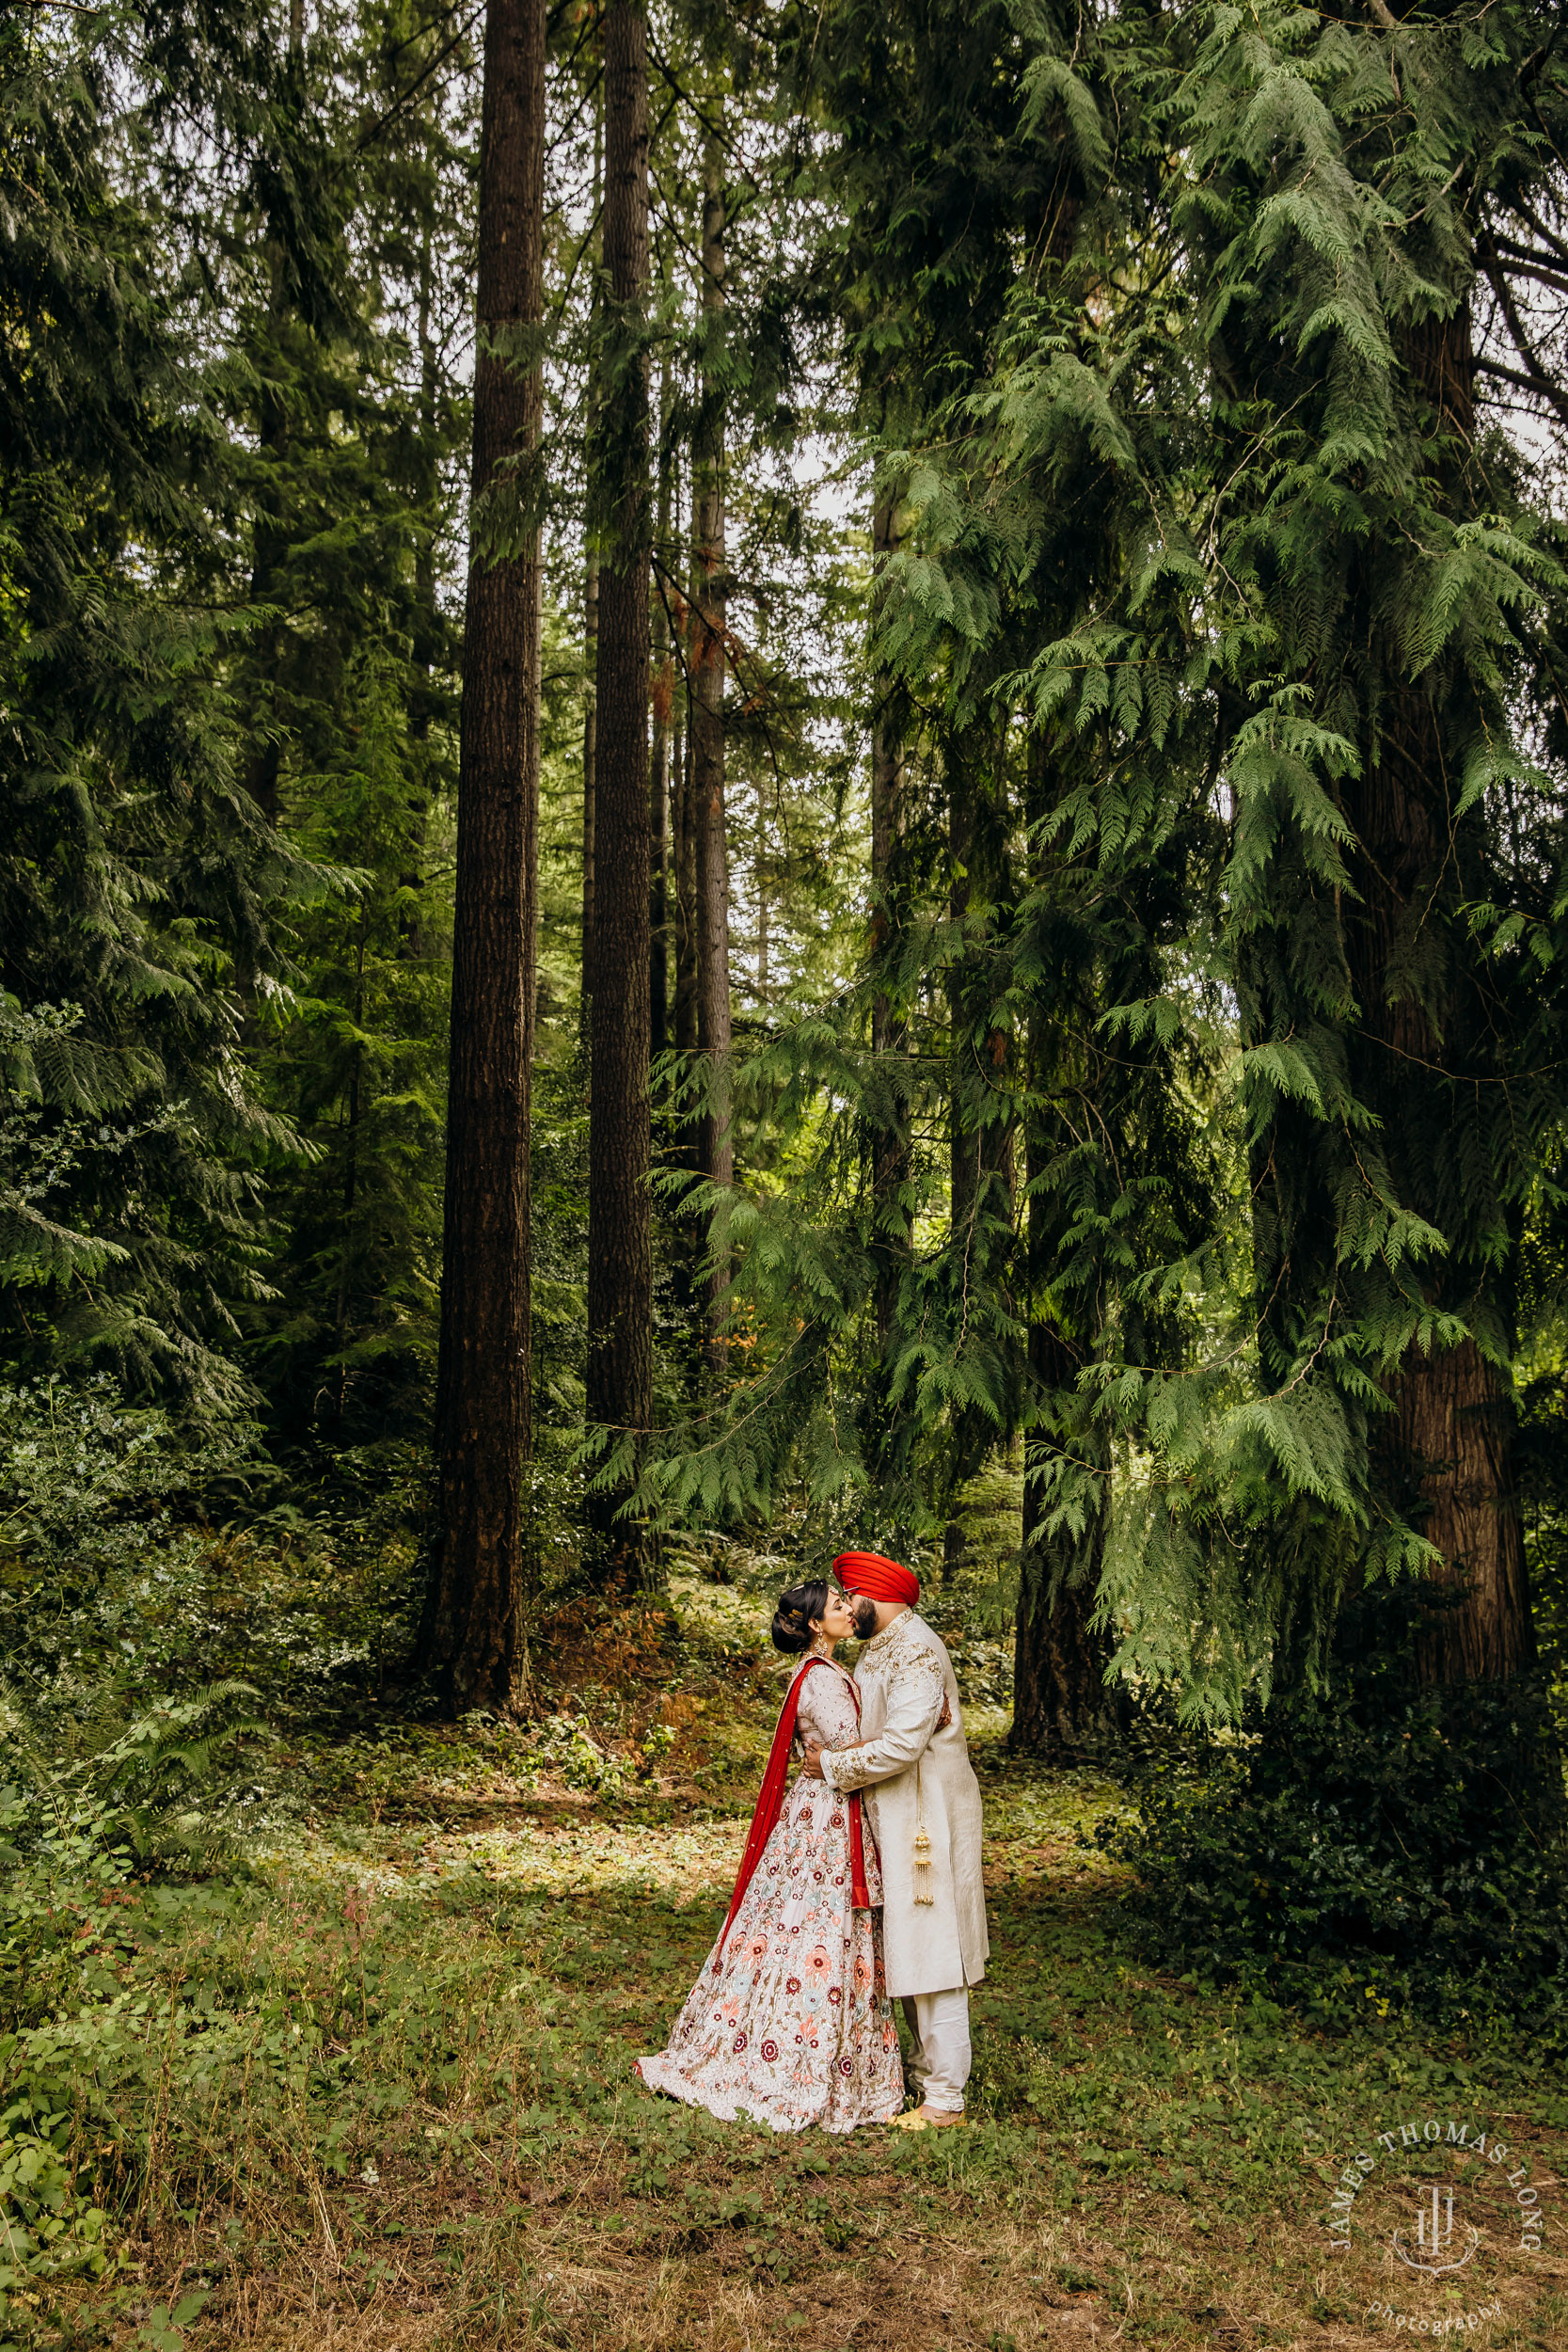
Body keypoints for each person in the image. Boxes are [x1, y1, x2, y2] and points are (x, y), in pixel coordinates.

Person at [635, 1580, 903, 2132]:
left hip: (826, 1808)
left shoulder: (826, 1674)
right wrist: (907, 1734)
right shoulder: (821, 1681)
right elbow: (854, 1747)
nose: (849, 1611)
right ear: (813, 1625)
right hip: (823, 1820)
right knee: (818, 1930)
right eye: (836, 1607)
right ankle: (799, 2057)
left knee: (810, 1927)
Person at [804, 1549, 988, 2129]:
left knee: (936, 1951)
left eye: (847, 1596)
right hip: (896, 1814)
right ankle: (920, 2075)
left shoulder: (914, 1652)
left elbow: (904, 1745)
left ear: (871, 1596)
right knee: (908, 1947)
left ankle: (945, 2101)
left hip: (926, 1817)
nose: (843, 1607)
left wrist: (831, 1766)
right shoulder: (880, 1646)